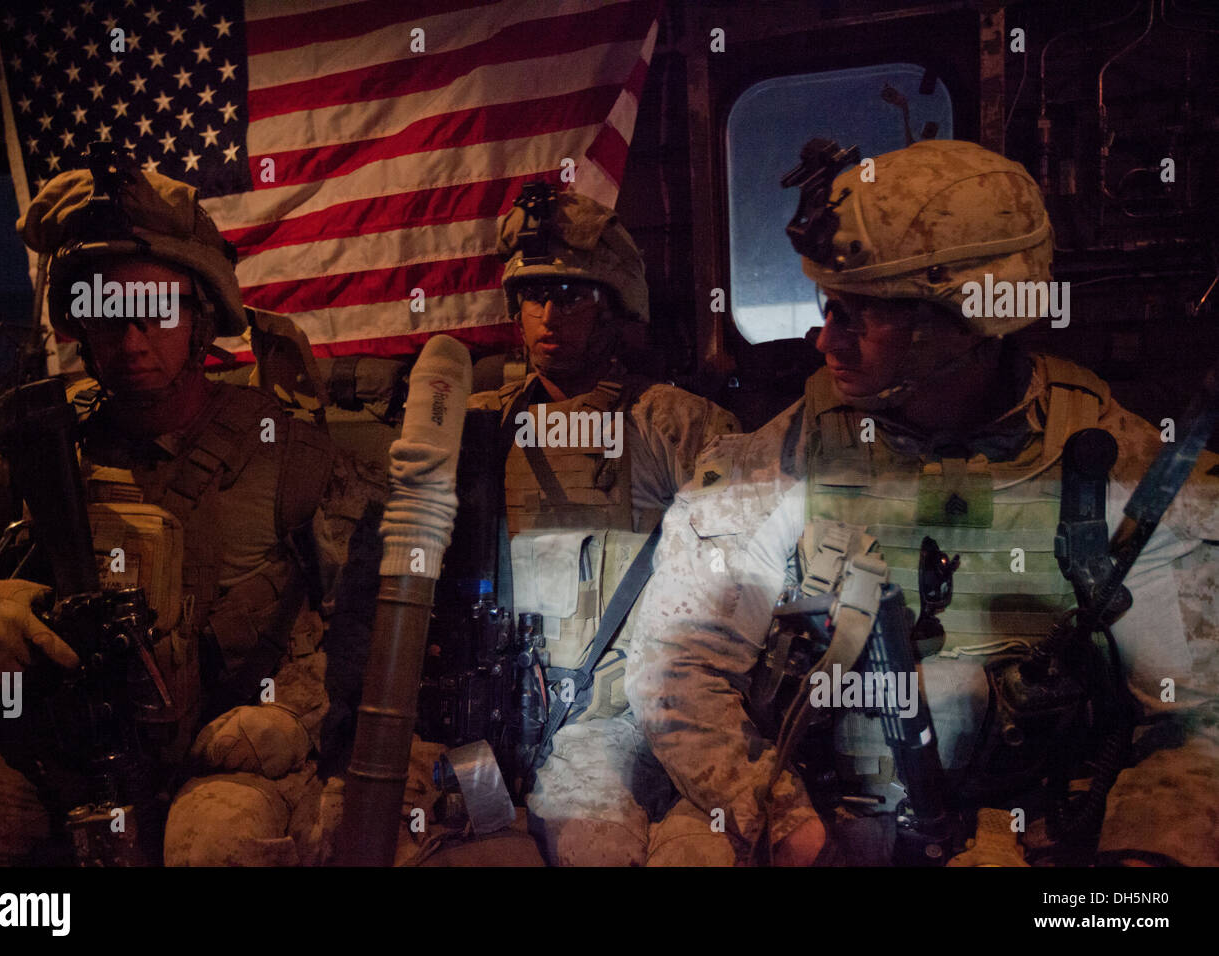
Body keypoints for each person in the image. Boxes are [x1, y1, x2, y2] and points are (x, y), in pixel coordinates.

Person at [625, 139, 1219, 866]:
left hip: (1022, 834)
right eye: (828, 307)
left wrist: (1135, 867)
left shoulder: (1119, 473)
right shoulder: (780, 460)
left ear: (966, 322)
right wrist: (788, 827)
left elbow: (1196, 723)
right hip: (815, 814)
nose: (825, 340)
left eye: (859, 315)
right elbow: (677, 669)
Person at [0, 154, 368, 866]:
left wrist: (293, 711)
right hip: (54, 758)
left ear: (201, 316)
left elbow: (371, 614)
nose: (130, 342)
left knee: (216, 851)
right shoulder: (30, 440)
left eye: (153, 313)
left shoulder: (286, 451)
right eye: (104, 314)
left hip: (224, 755)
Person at [454, 185, 740, 866]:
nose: (550, 314)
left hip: (659, 710)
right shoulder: (480, 427)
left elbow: (754, 564)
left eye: (574, 296)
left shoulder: (670, 422)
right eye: (535, 295)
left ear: (615, 310)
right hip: (530, 716)